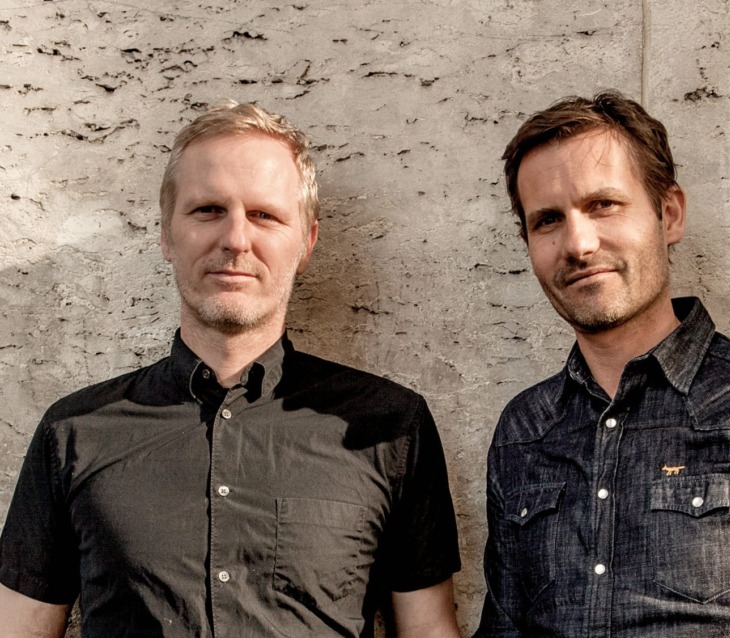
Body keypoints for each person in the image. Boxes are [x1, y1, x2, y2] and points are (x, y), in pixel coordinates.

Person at [0, 101, 461, 638]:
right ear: (167, 237)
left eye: (264, 215)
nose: (236, 239)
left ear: (306, 243)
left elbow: (429, 631)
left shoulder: (388, 426)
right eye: (207, 210)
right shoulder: (73, 432)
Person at [475, 91, 730, 637]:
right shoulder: (525, 429)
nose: (578, 243)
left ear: (668, 213)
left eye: (603, 204)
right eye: (548, 220)